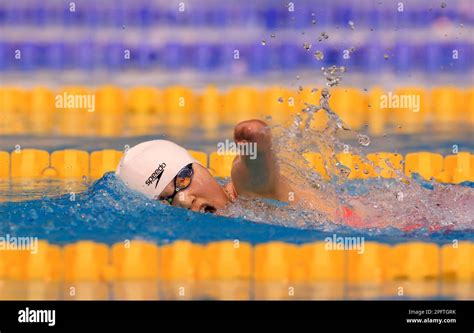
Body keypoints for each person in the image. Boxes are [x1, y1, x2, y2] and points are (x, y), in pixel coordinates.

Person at [116, 119, 360, 223]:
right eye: (164, 199)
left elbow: (257, 175)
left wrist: (258, 149)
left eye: (183, 178)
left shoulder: (245, 189)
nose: (182, 198)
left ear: (203, 168)